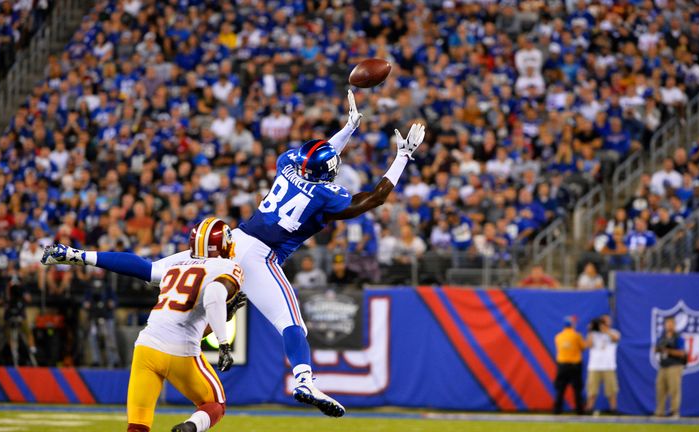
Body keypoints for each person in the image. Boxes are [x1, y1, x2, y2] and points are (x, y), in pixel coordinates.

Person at [42, 91, 426, 417]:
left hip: (230, 243)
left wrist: (349, 128)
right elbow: (374, 197)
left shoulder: (287, 163)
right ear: (328, 175)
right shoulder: (326, 195)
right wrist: (402, 156)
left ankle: (76, 254)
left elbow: (319, 156)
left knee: (152, 270)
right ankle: (306, 380)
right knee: (292, 325)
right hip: (260, 258)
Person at [127, 217, 245, 432]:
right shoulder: (227, 266)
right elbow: (213, 294)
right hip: (180, 352)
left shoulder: (174, 266)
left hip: (146, 347)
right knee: (215, 404)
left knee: (138, 425)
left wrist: (224, 314)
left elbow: (184, 321)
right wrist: (223, 343)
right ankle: (190, 428)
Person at [585, 315, 620, 414]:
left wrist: (606, 331)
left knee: (611, 390)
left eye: (607, 322)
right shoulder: (593, 334)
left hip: (608, 366)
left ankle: (613, 409)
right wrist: (591, 331)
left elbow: (615, 339)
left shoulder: (614, 332)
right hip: (594, 366)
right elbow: (589, 345)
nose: (604, 324)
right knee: (592, 390)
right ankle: (589, 409)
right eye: (603, 322)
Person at [654, 316, 687, 418]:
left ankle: (674, 411)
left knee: (674, 389)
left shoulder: (678, 337)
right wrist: (658, 349)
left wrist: (668, 351)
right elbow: (655, 349)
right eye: (667, 324)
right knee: (660, 389)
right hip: (663, 365)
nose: (669, 326)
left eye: (671, 324)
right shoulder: (662, 337)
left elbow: (682, 353)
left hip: (675, 365)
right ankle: (660, 411)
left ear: (674, 325)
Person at [553, 315, 587, 415]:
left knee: (560, 389)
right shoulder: (576, 336)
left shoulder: (558, 336)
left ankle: (557, 410)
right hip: (574, 365)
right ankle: (579, 410)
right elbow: (583, 347)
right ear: (572, 325)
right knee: (577, 389)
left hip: (562, 365)